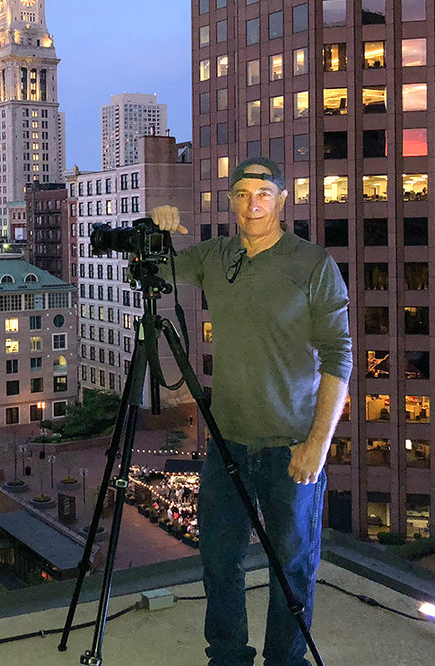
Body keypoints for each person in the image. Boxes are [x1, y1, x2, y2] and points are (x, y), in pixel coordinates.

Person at [150, 156, 352, 666]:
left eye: (263, 192)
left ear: (283, 199)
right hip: (227, 443)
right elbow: (155, 270)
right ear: (231, 202)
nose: (252, 202)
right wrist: (159, 225)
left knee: (293, 565)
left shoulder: (312, 264)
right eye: (241, 193)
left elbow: (339, 355)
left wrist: (318, 445)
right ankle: (227, 656)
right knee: (219, 561)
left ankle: (285, 659)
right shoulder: (215, 256)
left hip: (292, 446)